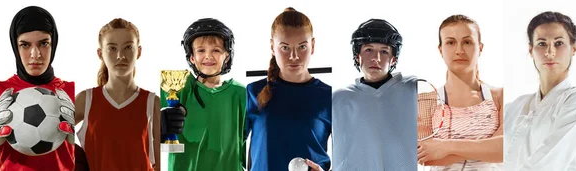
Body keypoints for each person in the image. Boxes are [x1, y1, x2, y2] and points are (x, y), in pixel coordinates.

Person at [0, 6, 75, 170]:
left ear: (53, 44)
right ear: (15, 46)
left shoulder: (72, 92)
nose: (35, 55)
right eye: (25, 45)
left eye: (43, 43)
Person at [245, 7, 330, 171]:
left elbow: (348, 156)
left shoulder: (329, 97)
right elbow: (227, 145)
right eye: (285, 47)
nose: (294, 56)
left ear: (312, 46)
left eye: (302, 47)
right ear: (272, 47)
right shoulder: (253, 92)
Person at [416, 14, 504, 170]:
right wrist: (488, 147)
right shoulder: (425, 101)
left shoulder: (499, 97)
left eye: (467, 42)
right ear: (440, 49)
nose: (459, 50)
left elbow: (506, 148)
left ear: (480, 48)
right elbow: (426, 157)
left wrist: (445, 147)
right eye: (450, 42)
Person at [504, 11, 576, 170]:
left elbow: (550, 162)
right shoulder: (514, 108)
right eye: (542, 44)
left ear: (574, 49)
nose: (550, 53)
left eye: (559, 43)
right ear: (531, 50)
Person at [160, 18, 247, 171]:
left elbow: (254, 142)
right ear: (192, 57)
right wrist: (159, 127)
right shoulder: (179, 86)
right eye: (201, 50)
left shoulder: (240, 93)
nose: (208, 56)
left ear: (226, 57)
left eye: (216, 50)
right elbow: (151, 132)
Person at [331, 18, 418, 171]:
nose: (376, 58)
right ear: (357, 56)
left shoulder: (414, 88)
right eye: (369, 50)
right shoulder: (338, 99)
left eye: (384, 52)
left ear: (393, 60)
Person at [75, 18, 160, 171]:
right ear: (100, 53)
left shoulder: (153, 103)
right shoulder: (85, 100)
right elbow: (53, 138)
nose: (120, 55)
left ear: (139, 52)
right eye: (112, 48)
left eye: (128, 47)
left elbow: (159, 165)